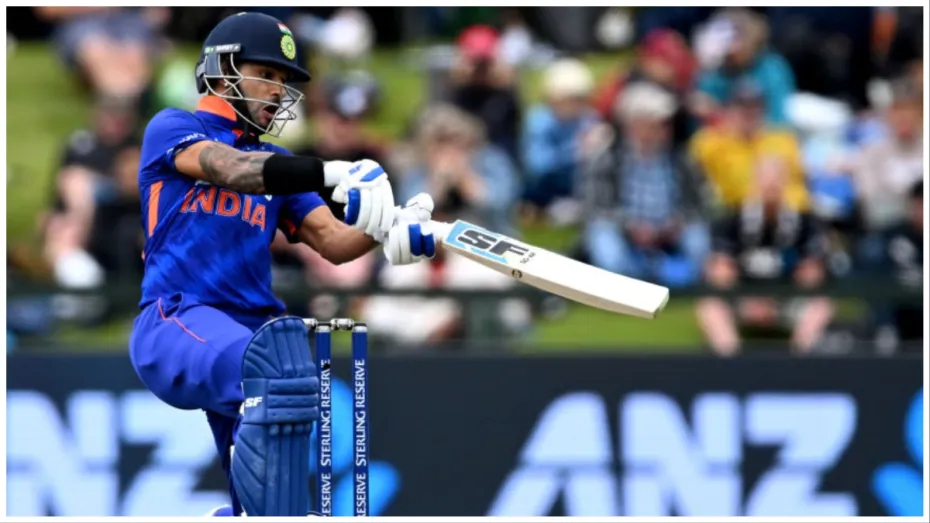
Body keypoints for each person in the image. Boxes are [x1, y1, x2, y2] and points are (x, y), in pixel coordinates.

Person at [126, 12, 436, 517]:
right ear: (223, 70)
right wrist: (329, 171)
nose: (277, 90)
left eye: (284, 80)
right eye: (266, 74)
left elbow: (333, 241)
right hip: (175, 319)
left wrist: (388, 228)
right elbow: (232, 169)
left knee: (288, 401)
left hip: (249, 331)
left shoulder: (277, 161)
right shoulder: (175, 127)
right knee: (274, 376)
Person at [696, 156, 833, 357]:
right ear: (754, 183)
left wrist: (775, 299)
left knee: (821, 305)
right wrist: (750, 298)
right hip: (744, 298)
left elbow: (813, 275)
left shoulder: (805, 223)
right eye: (765, 181)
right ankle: (731, 361)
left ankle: (799, 361)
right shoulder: (732, 221)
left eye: (776, 181)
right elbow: (719, 273)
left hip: (786, 299)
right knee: (710, 306)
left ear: (785, 183)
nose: (770, 187)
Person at [580, 82, 709, 287]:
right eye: (657, 123)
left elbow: (700, 203)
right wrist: (630, 226)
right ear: (634, 124)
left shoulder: (681, 159)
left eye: (666, 123)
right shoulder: (607, 158)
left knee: (697, 240)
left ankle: (684, 282)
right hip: (624, 228)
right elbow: (596, 208)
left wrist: (678, 221)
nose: (665, 129)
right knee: (606, 242)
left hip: (670, 228)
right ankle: (623, 285)